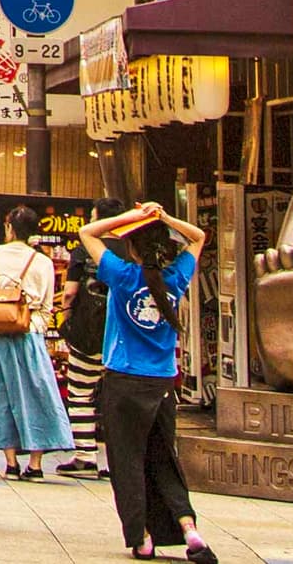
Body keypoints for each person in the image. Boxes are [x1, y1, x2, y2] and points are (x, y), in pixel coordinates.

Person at [77, 203, 213, 562]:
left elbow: (87, 233)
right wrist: (164, 218)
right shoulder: (176, 278)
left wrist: (133, 219)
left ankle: (142, 539)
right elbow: (199, 236)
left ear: (132, 248)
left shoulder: (122, 276)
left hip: (123, 381)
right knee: (164, 457)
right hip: (163, 385)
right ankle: (189, 528)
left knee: (127, 461)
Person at [0, 203, 79, 480]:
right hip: (29, 334)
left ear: (9, 227)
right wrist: (36, 325)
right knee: (38, 395)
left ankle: (10, 463)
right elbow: (47, 305)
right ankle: (35, 465)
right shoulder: (42, 262)